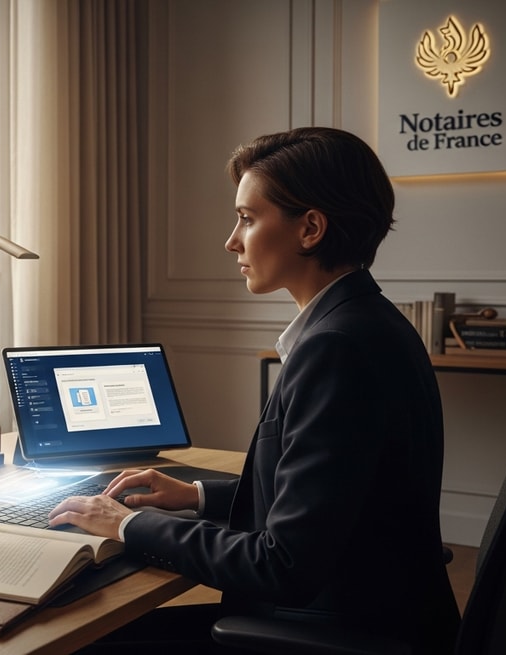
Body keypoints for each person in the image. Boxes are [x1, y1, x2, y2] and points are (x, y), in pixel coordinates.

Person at [49, 127, 461, 653]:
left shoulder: (336, 349)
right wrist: (194, 495)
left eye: (247, 218)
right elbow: (330, 500)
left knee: (79, 639)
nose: (231, 240)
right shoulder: (369, 323)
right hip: (374, 612)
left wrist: (130, 524)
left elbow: (281, 564)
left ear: (310, 228)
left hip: (329, 629)